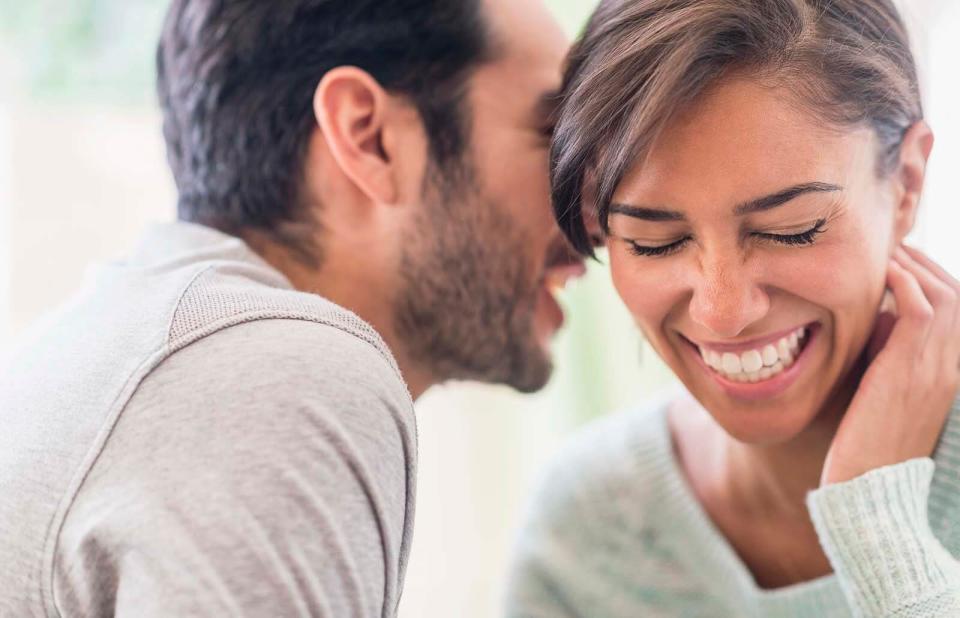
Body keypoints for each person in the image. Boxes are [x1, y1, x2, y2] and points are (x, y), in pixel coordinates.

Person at [0, 0, 590, 615]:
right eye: (553, 137)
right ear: (369, 137)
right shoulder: (266, 369)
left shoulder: (134, 344)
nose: (597, 217)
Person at [506, 0, 960, 616]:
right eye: (654, 242)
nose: (723, 313)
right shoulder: (585, 530)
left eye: (790, 229)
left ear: (906, 183)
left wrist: (877, 525)